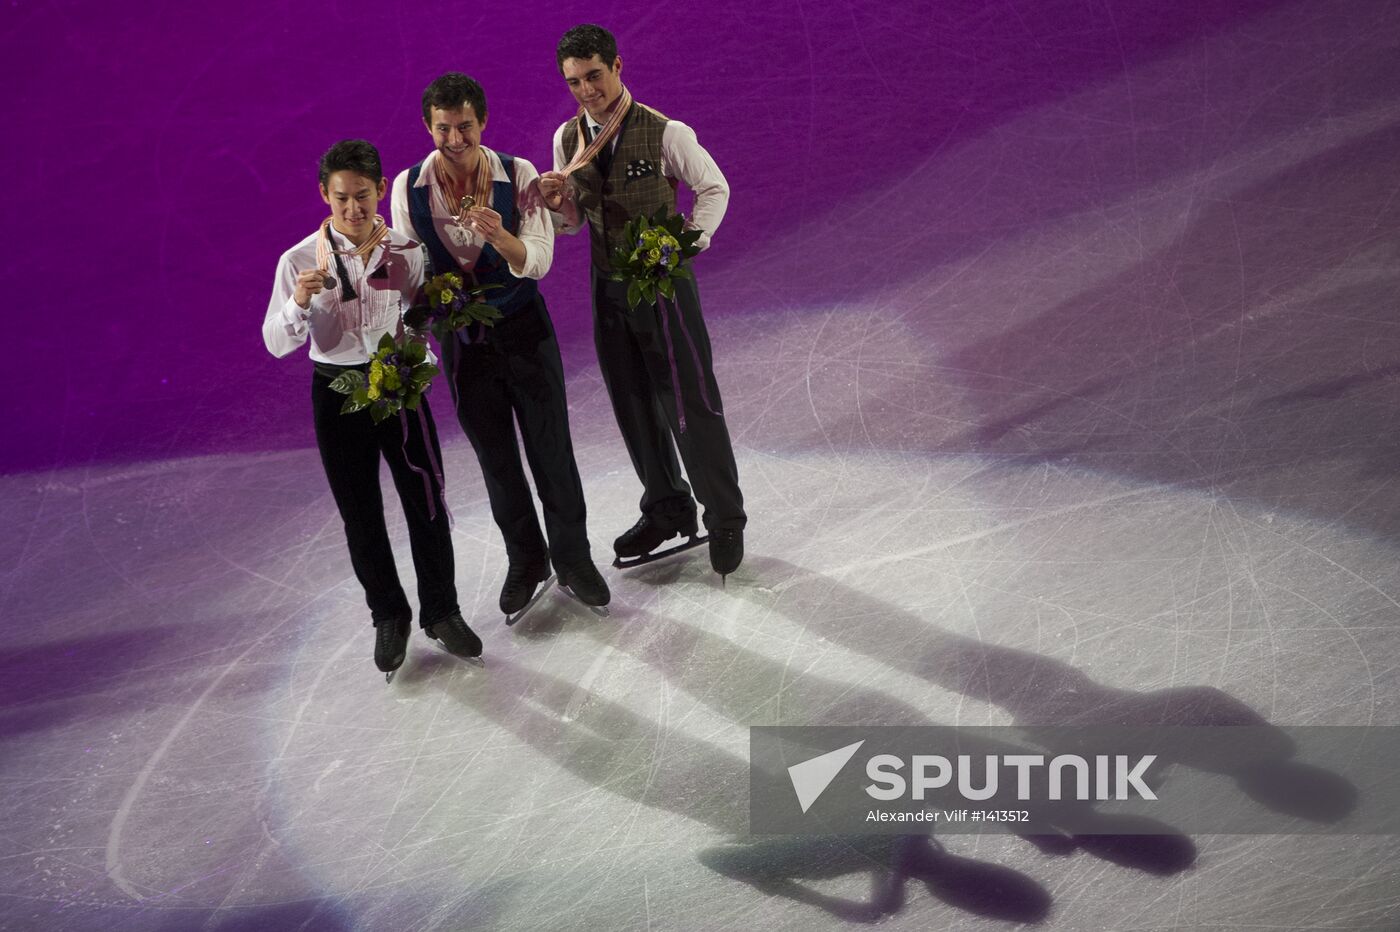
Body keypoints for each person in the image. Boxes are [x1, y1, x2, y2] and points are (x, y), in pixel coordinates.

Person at [390, 73, 609, 614]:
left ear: (482, 122)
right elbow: (411, 271)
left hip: (524, 329)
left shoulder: (519, 173)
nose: (456, 139)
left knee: (550, 448)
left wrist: (497, 235)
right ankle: (526, 560)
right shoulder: (407, 186)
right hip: (464, 343)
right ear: (429, 126)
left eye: (465, 126)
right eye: (444, 128)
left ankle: (574, 559)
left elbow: (537, 260)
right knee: (496, 459)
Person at [263, 139, 482, 676]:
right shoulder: (297, 262)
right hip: (336, 392)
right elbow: (274, 342)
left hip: (399, 385)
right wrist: (297, 303)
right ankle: (389, 615)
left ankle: (442, 611)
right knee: (359, 515)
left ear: (381, 191)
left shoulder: (405, 253)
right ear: (324, 195)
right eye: (341, 198)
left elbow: (417, 318)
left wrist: (423, 349)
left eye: (363, 196)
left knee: (426, 502)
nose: (353, 209)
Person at [538, 24, 747, 579]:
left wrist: (683, 247)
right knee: (632, 401)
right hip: (606, 285)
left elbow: (714, 188)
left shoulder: (664, 131)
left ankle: (725, 516)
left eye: (595, 76)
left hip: (662, 285)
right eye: (574, 81)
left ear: (617, 67)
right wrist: (559, 205)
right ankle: (667, 507)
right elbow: (573, 223)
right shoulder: (567, 141)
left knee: (689, 401)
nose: (586, 90)